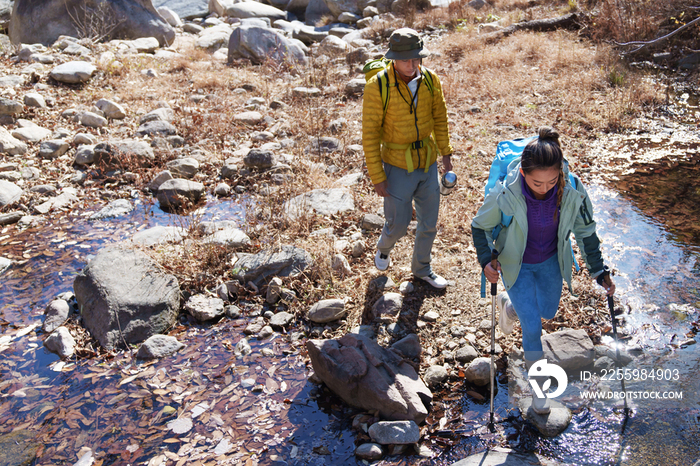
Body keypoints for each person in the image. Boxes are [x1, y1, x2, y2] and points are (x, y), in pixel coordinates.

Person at [471, 126, 615, 414]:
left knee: (547, 311)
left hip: (551, 261)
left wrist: (599, 271)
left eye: (552, 181)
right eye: (538, 183)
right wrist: (487, 260)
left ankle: (508, 308)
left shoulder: (571, 189)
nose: (546, 188)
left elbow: (586, 232)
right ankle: (539, 394)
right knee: (533, 328)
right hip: (517, 265)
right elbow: (480, 226)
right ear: (524, 174)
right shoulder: (506, 193)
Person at [362, 28, 455, 289]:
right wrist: (377, 177)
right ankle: (384, 247)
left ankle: (422, 269)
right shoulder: (377, 85)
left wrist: (446, 154)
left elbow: (440, 118)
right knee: (398, 224)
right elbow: (369, 135)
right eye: (405, 60)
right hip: (396, 165)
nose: (411, 65)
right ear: (393, 58)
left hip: (426, 162)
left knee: (429, 223)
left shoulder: (430, 80)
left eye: (416, 59)